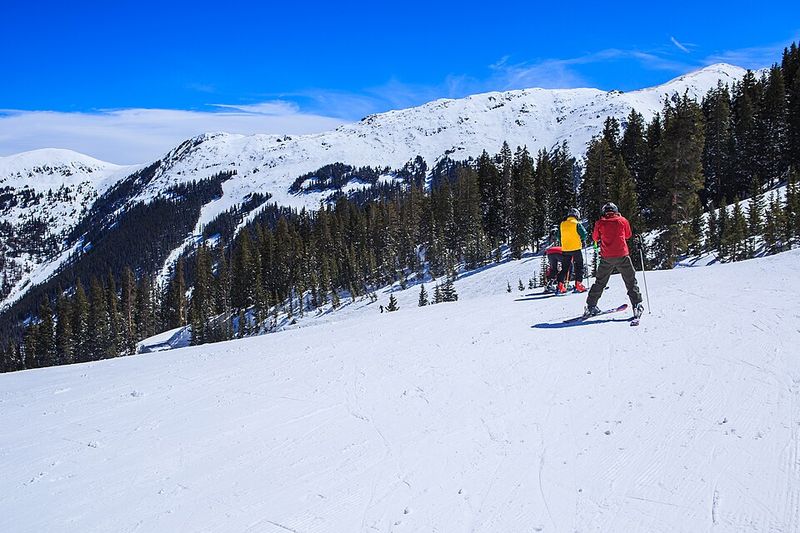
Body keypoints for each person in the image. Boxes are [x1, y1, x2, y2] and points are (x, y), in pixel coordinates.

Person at [585, 202, 644, 318]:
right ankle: (636, 305)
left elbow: (595, 238)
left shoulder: (600, 222)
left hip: (607, 257)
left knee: (600, 282)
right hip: (622, 255)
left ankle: (591, 306)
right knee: (630, 281)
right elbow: (628, 235)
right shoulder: (622, 220)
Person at [556, 208, 587, 294]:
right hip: (576, 248)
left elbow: (558, 235)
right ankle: (578, 284)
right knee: (579, 266)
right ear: (577, 215)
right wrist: (582, 239)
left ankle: (560, 285)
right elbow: (584, 234)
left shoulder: (562, 224)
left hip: (566, 249)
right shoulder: (576, 224)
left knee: (565, 268)